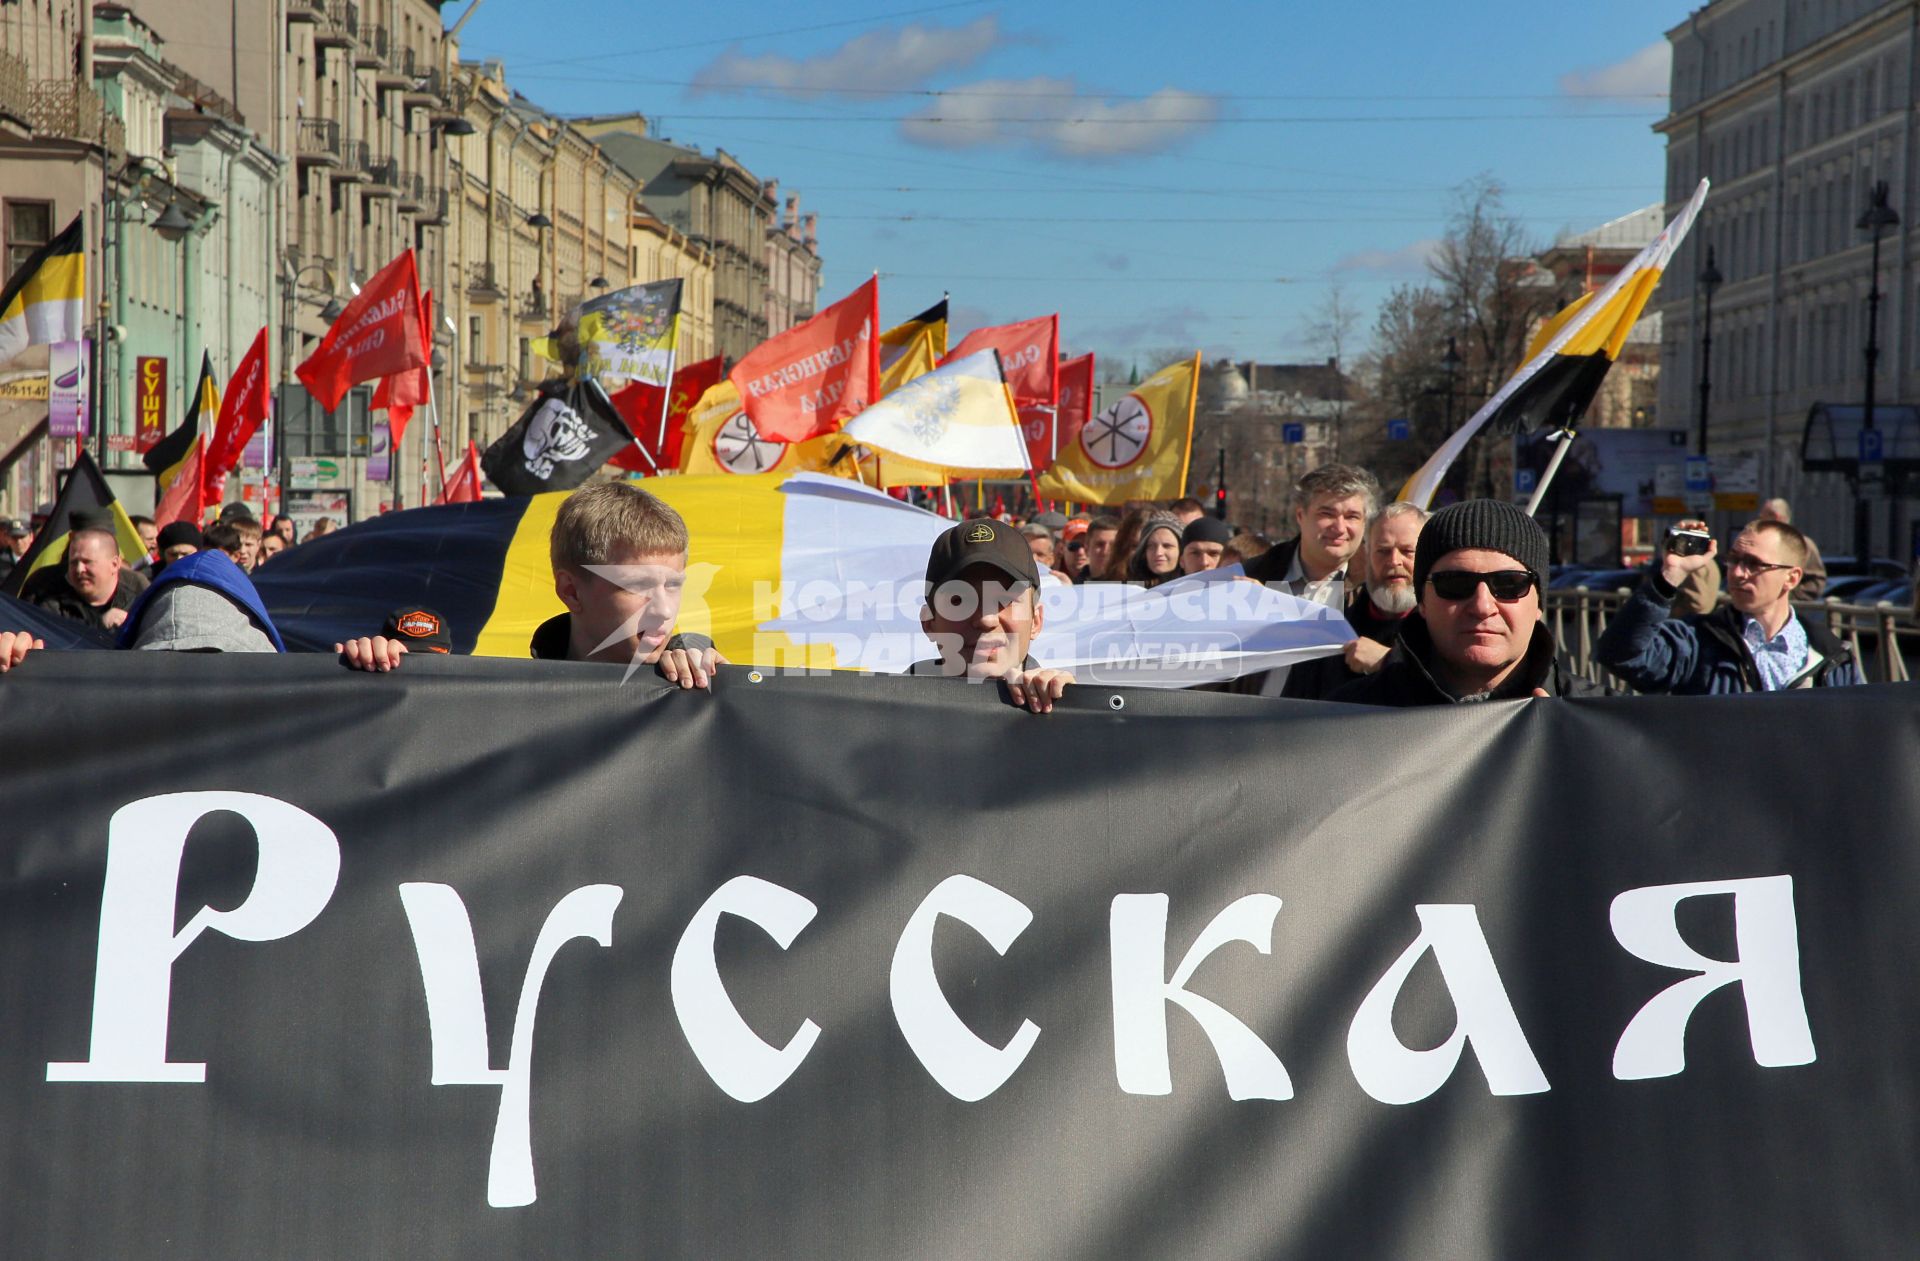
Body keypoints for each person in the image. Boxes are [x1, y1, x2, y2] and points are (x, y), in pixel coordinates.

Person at [1332, 499, 1599, 705]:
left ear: (1538, 601)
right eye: (1456, 584)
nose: (1482, 606)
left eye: (1509, 584)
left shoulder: (1604, 723)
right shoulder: (1349, 718)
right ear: (1422, 601)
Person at [1594, 517, 1860, 693]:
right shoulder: (1696, 641)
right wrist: (1671, 575)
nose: (1738, 573)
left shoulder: (1832, 656)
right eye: (1734, 560)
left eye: (1754, 564)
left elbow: (1856, 732)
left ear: (1791, 578)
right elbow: (1619, 655)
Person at [529, 480, 722, 689]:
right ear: (572, 592)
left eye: (673, 585)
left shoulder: (698, 686)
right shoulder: (515, 704)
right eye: (638, 586)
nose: (664, 610)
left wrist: (727, 697)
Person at [906, 518, 1073, 713]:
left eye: (1005, 600)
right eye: (960, 601)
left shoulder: (1067, 717)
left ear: (1036, 621)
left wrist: (1073, 709)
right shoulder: (891, 715)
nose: (986, 619)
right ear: (929, 623)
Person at [1237, 464, 1378, 694]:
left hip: (1330, 725)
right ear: (1301, 516)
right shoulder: (1253, 577)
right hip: (1252, 723)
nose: (1339, 527)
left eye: (1352, 516)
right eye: (1327, 514)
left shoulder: (1377, 590)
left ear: (1365, 523)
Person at [1280, 502, 1427, 699]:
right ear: (1367, 555)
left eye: (1407, 551)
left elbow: (1457, 700)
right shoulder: (1329, 633)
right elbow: (1293, 712)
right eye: (1383, 551)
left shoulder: (1447, 631)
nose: (1394, 561)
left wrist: (1388, 662)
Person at [22, 517, 149, 632]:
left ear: (115, 564)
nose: (79, 569)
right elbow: (50, 640)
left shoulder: (140, 598)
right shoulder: (51, 603)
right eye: (73, 563)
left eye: (87, 562)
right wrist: (99, 625)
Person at [1758, 498, 1826, 598]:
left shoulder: (1803, 545)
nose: (1760, 523)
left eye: (1762, 519)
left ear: (1775, 517)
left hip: (1794, 609)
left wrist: (1787, 596)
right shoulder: (1760, 543)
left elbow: (1816, 582)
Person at [1125, 513, 1183, 588]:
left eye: (1167, 546)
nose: (1158, 553)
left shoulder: (1195, 589)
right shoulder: (1128, 591)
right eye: (1151, 546)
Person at [1082, 515, 1119, 581]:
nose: (1105, 552)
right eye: (1100, 544)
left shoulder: (1133, 588)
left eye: (1113, 545)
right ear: (1086, 549)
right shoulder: (1073, 588)